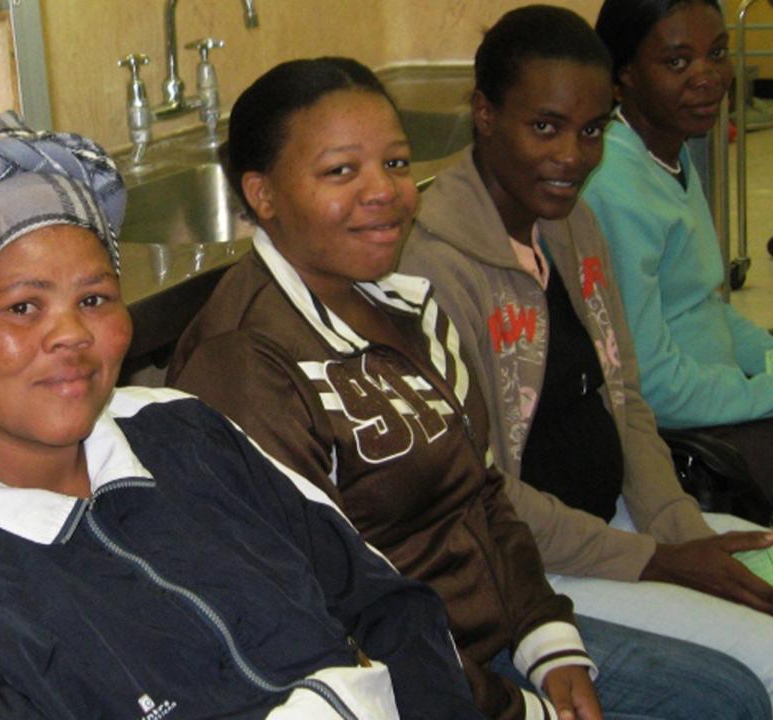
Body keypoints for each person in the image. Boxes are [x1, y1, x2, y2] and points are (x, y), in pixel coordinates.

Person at [167, 55, 769, 720]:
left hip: (499, 632)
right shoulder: (246, 364)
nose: (383, 192)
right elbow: (322, 618)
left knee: (727, 695)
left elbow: (485, 491)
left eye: (395, 164)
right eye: (342, 171)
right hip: (410, 682)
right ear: (263, 194)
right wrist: (519, 708)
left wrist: (550, 640)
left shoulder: (404, 308)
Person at [0, 111, 484, 719]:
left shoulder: (182, 432)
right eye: (23, 308)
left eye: (94, 298)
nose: (71, 335)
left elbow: (388, 605)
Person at [399, 3, 773, 703]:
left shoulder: (573, 226)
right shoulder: (434, 272)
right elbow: (485, 493)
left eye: (592, 130)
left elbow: (624, 396)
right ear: (485, 114)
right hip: (540, 570)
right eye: (544, 127)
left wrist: (681, 530)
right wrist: (659, 561)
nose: (572, 156)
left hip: (622, 524)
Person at [581, 0, 773, 502]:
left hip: (713, 398)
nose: (708, 76)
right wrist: (764, 394)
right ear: (623, 76)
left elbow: (702, 305)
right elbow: (652, 385)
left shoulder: (669, 148)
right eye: (677, 62)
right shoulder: (614, 188)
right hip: (680, 442)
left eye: (717, 53)